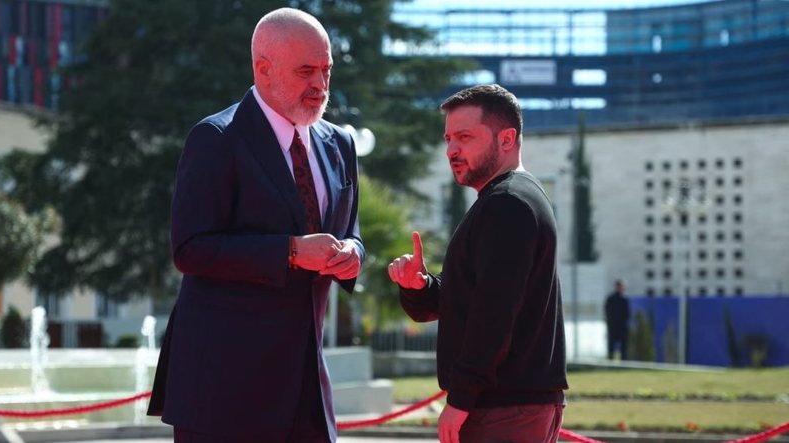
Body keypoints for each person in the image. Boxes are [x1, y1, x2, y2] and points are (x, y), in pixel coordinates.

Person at [146, 8, 364, 443]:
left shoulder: (340, 143)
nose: (320, 84)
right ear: (263, 69)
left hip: (307, 389)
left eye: (326, 70)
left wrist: (352, 254)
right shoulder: (216, 138)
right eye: (306, 71)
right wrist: (291, 251)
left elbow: (351, 232)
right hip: (225, 390)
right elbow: (190, 247)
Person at [387, 84, 568, 443]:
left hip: (502, 407)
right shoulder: (511, 198)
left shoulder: (508, 202)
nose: (452, 150)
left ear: (507, 139)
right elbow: (470, 298)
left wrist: (461, 398)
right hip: (512, 403)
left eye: (465, 137)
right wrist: (420, 285)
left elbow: (494, 313)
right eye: (448, 139)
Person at [605, 279, 630, 360]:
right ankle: (610, 363)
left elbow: (627, 314)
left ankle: (624, 363)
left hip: (622, 327)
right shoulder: (611, 299)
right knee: (611, 348)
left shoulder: (625, 299)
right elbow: (608, 313)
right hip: (613, 327)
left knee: (624, 348)